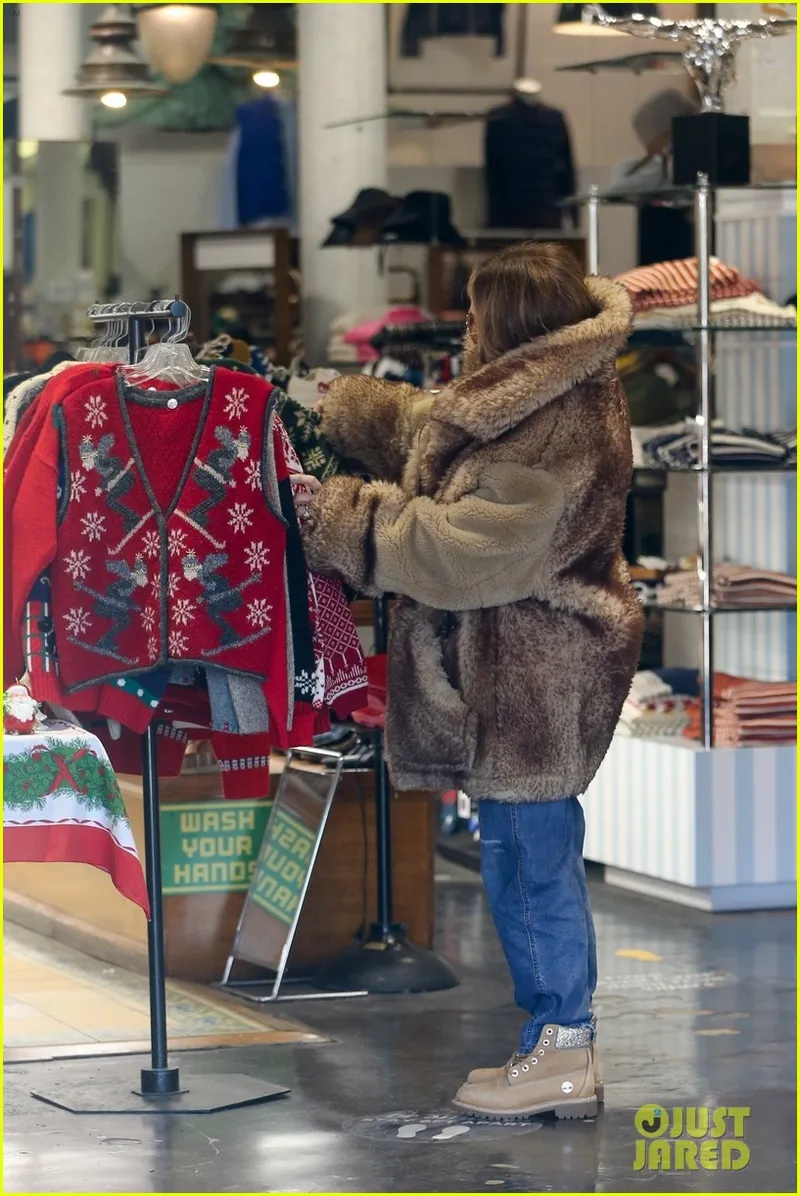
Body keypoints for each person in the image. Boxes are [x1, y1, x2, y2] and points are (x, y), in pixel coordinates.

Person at [300, 242, 644, 1121]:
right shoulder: (540, 394)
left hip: (539, 672)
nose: (464, 325)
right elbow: (442, 436)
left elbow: (467, 551)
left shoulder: (558, 423)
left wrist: (334, 516)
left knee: (530, 862)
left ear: (514, 325)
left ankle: (563, 1047)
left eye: (476, 312)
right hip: (522, 666)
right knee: (523, 853)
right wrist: (345, 408)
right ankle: (553, 1046)